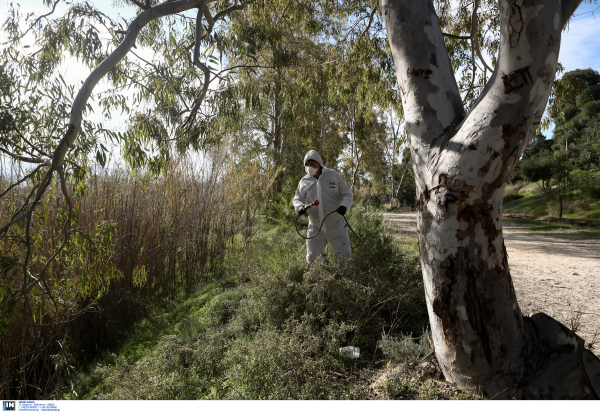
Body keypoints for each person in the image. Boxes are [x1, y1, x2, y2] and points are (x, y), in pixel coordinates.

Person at [293, 150, 353, 263]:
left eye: (312, 164)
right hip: (315, 228)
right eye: (307, 164)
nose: (309, 166)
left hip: (336, 226)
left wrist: (344, 206)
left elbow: (347, 194)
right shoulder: (304, 182)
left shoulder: (333, 176)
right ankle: (316, 280)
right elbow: (297, 199)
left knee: (344, 259)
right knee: (313, 261)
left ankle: (346, 279)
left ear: (319, 164)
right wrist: (299, 207)